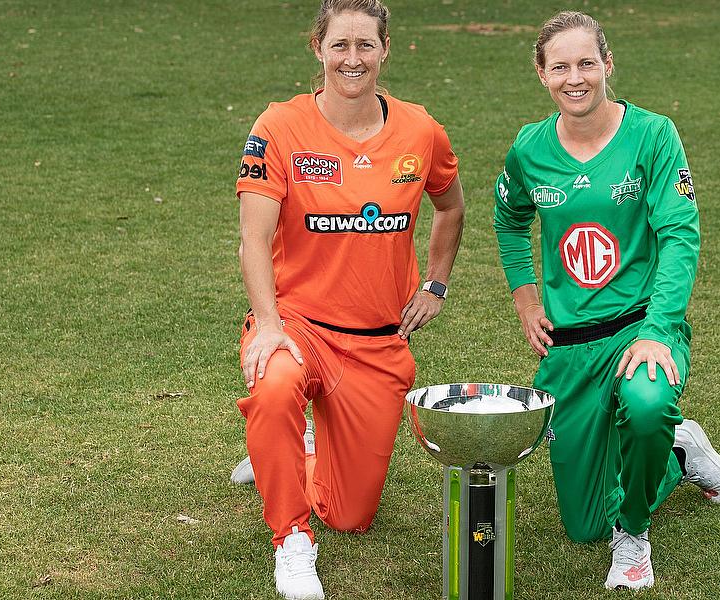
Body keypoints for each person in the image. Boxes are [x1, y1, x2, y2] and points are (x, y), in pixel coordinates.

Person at [230, 1, 464, 598]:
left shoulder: (420, 131)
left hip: (376, 344)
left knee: (350, 515)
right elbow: (253, 238)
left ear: (386, 50)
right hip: (299, 324)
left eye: (365, 45)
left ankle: (287, 455)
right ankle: (291, 540)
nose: (352, 59)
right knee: (275, 384)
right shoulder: (279, 127)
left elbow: (450, 205)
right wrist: (269, 326)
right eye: (340, 45)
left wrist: (435, 284)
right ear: (318, 48)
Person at [493, 11, 720, 591]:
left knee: (647, 404)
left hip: (639, 327)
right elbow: (509, 219)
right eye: (560, 67)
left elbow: (680, 234)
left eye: (586, 63)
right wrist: (526, 299)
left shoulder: (653, 135)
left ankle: (635, 536)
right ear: (542, 74)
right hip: (570, 347)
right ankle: (678, 454)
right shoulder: (529, 148)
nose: (574, 78)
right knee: (584, 525)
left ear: (607, 65)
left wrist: (659, 328)